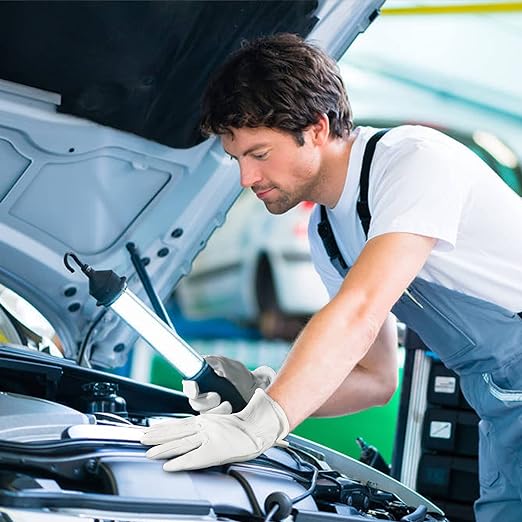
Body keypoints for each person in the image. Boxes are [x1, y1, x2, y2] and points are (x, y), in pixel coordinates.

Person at [140, 33, 522, 522]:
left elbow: (359, 312)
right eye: (237, 159)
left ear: (316, 128)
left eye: (259, 153)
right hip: (499, 406)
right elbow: (374, 379)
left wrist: (262, 424)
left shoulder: (412, 161)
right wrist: (260, 398)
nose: (245, 178)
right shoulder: (329, 233)